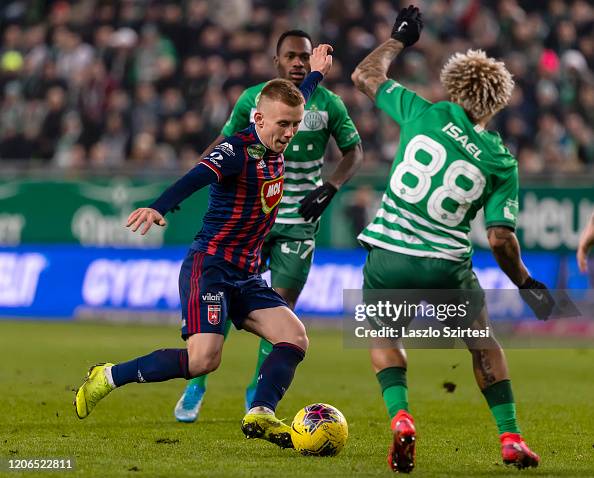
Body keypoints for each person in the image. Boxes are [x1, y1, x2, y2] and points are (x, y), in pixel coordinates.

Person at [74, 45, 333, 450]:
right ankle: (108, 376)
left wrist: (314, 74)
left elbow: (298, 99)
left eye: (295, 126)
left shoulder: (279, 130)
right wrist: (158, 206)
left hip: (246, 273)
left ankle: (261, 411)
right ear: (258, 118)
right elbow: (195, 176)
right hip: (209, 266)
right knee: (203, 360)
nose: (289, 133)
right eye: (283, 125)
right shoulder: (235, 150)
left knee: (295, 337)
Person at [351, 5, 553, 472]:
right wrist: (524, 283)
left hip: (390, 256)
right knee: (482, 344)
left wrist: (399, 39)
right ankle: (509, 438)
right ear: (497, 102)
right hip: (446, 265)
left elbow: (365, 75)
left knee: (384, 335)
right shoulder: (501, 161)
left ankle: (401, 418)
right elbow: (500, 238)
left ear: (453, 84)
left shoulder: (424, 112)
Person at [174, 29, 363, 423]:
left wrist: (330, 187)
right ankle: (197, 382)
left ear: (313, 60)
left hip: (299, 221)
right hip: (251, 220)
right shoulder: (253, 100)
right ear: (276, 61)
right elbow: (225, 143)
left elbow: (354, 152)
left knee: (281, 305)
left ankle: (256, 392)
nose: (298, 62)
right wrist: (190, 181)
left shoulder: (329, 104)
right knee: (223, 294)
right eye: (290, 56)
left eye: (304, 56)